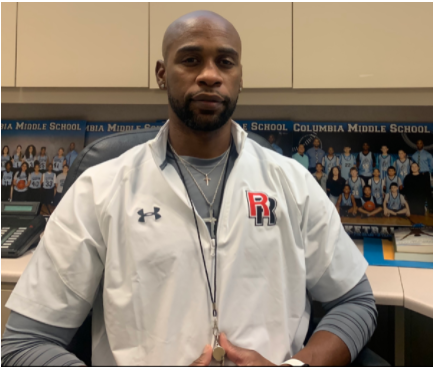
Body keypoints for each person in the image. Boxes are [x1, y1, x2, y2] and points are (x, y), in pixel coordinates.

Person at [2, 11, 377, 367]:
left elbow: (355, 302)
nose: (210, 75)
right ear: (162, 74)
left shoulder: (292, 183)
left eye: (225, 63)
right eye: (191, 60)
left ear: (240, 77)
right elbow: (24, 345)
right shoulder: (99, 190)